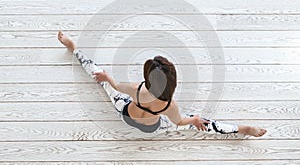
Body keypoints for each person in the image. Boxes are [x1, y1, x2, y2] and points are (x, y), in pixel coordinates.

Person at [58, 31, 267, 137]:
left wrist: (108, 79)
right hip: (152, 129)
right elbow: (179, 123)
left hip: (125, 115)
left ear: (148, 80)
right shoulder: (170, 106)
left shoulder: (136, 88)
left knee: (100, 75)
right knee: (201, 121)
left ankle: (75, 49)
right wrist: (193, 119)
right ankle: (241, 129)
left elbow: (117, 87)